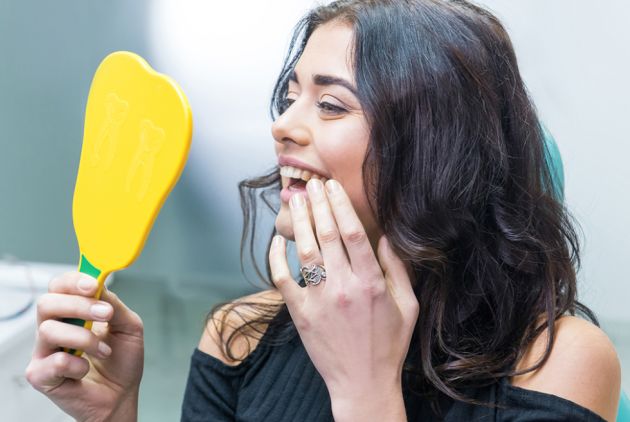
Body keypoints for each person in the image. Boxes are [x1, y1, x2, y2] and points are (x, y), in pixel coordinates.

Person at [26, 0, 622, 421]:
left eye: (331, 105)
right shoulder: (239, 335)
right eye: (291, 97)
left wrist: (364, 390)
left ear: (437, 149)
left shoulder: (557, 361)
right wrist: (113, 414)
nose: (283, 125)